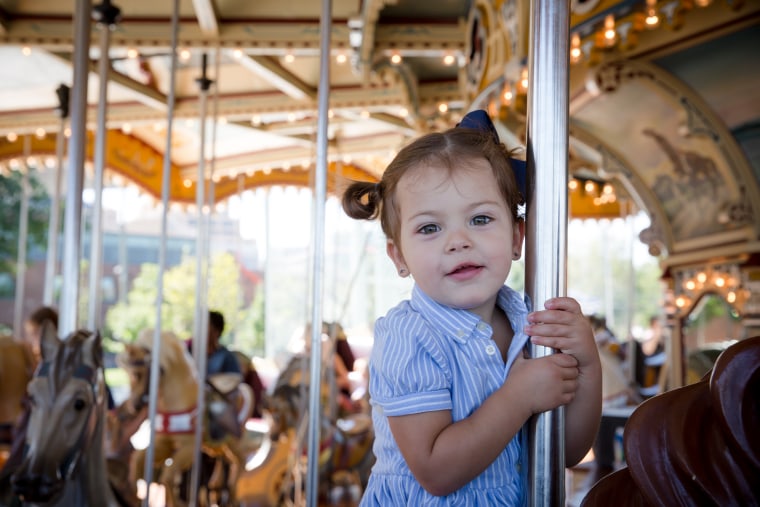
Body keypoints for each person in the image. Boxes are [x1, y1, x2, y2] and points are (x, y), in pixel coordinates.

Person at [341, 110, 602, 504]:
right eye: (430, 228)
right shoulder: (408, 338)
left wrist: (587, 363)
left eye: (480, 219)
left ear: (517, 238)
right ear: (399, 257)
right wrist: (518, 397)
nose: (458, 241)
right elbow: (436, 471)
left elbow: (566, 451)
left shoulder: (532, 322)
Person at [206, 310, 242, 376]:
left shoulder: (227, 357)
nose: (200, 330)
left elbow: (235, 380)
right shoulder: (191, 352)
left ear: (216, 331)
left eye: (205, 326)